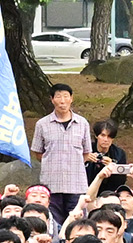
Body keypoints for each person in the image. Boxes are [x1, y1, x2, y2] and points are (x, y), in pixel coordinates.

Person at [33, 86, 93, 218]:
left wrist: (73, 163)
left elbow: (87, 153)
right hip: (51, 184)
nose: (62, 101)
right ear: (52, 99)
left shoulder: (82, 123)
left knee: (77, 223)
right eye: (58, 96)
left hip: (76, 184)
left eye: (66, 96)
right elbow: (38, 153)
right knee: (53, 222)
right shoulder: (42, 124)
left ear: (71, 99)